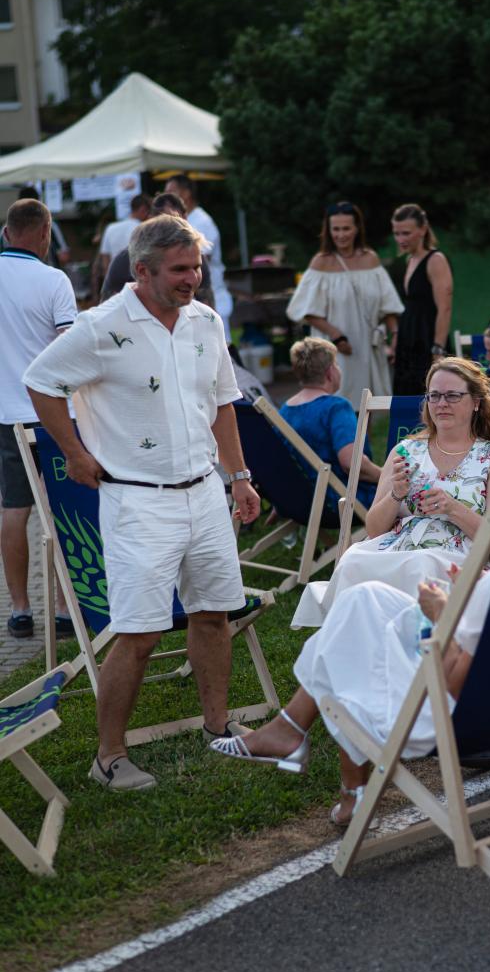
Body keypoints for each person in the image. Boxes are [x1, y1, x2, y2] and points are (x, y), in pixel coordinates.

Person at [210, 454, 490, 824]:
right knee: (363, 599)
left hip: (458, 717)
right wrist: (469, 596)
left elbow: (454, 680)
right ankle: (296, 737)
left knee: (350, 656)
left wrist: (442, 614)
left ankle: (338, 778)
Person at [23, 215, 260, 792]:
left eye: (196, 267)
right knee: (139, 633)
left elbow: (223, 404)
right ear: (143, 270)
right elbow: (41, 381)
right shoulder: (100, 326)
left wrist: (239, 477)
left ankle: (217, 725)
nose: (193, 278)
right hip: (137, 502)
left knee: (214, 613)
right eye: (180, 269)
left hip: (205, 491)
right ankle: (108, 756)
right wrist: (75, 454)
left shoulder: (207, 320)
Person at [290, 357, 490, 627]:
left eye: (453, 395)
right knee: (353, 561)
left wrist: (452, 508)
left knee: (421, 565)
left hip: (453, 554)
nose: (441, 403)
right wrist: (395, 494)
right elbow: (374, 529)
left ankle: (411, 644)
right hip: (394, 547)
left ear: (476, 402)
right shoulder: (405, 451)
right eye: (434, 395)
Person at [0, 199, 77, 639]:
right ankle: (65, 609)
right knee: (63, 508)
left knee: (14, 510)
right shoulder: (54, 280)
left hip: (6, 416)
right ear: (45, 232)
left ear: (6, 232)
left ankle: (19, 610)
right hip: (51, 414)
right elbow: (70, 345)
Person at [286, 201, 402, 410]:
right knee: (340, 403)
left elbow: (388, 304)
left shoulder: (370, 259)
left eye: (346, 228)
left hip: (367, 345)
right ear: (328, 231)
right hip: (334, 347)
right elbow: (306, 310)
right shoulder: (321, 262)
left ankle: (364, 433)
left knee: (367, 404)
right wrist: (337, 336)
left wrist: (395, 334)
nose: (341, 235)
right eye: (336, 229)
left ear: (357, 228)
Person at [280, 337, 383, 510]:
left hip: (301, 501)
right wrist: (386, 477)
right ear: (330, 372)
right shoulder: (336, 408)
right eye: (336, 364)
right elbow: (352, 463)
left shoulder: (285, 411)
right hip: (340, 500)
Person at [100, 191, 215, 307]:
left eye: (178, 223)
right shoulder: (125, 259)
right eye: (179, 269)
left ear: (185, 220)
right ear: (150, 221)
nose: (173, 230)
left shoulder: (195, 259)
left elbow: (207, 306)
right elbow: (107, 309)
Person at [391, 203, 453, 395]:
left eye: (406, 233)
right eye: (397, 233)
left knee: (429, 395)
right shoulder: (410, 260)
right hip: (409, 339)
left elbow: (444, 308)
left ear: (423, 230)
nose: (400, 239)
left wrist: (438, 350)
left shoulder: (436, 260)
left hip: (427, 341)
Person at [165, 175, 233, 339]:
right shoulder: (182, 222)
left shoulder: (201, 221)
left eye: (171, 191)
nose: (166, 197)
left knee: (218, 346)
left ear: (186, 193)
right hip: (192, 299)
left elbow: (201, 263)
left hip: (210, 298)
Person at [97, 194, 152, 279]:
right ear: (143, 210)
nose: (149, 216)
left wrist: (108, 279)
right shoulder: (144, 229)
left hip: (115, 278)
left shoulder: (110, 228)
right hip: (137, 279)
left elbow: (105, 256)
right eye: (148, 212)